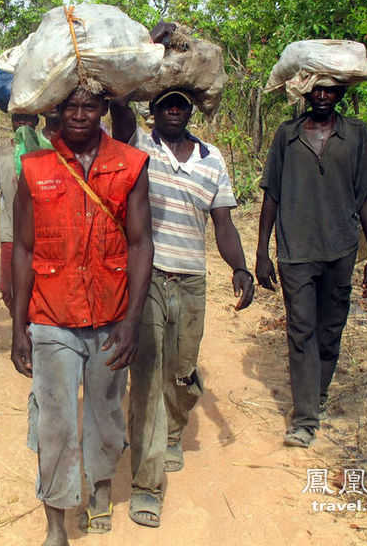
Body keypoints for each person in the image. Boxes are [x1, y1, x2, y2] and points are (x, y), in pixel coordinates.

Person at [12, 86, 153, 545]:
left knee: (105, 413)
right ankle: (56, 522)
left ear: (104, 109)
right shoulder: (34, 169)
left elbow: (139, 244)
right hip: (52, 316)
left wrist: (132, 320)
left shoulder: (130, 165)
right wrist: (19, 325)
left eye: (89, 106)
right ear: (56, 110)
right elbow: (24, 250)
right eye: (69, 106)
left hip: (111, 315)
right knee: (54, 419)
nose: (78, 115)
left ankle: (99, 487)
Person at [110, 88, 255, 528]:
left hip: (192, 280)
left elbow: (223, 222)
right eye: (165, 103)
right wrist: (150, 48)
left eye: (181, 104)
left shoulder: (212, 159)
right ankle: (146, 485)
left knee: (182, 371)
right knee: (149, 377)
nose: (173, 109)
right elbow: (118, 106)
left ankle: (172, 431)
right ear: (152, 109)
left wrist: (241, 268)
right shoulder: (137, 144)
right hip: (147, 276)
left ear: (191, 110)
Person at [255, 83, 367, 448]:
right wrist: (262, 251)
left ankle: (318, 390)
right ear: (305, 94)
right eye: (316, 90)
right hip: (295, 249)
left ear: (340, 94)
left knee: (330, 329)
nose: (323, 96)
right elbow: (272, 193)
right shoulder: (287, 135)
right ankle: (304, 418)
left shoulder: (356, 135)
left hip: (341, 248)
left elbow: (366, 198)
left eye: (330, 91)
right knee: (300, 329)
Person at [0, 111, 41, 309]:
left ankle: (29, 334)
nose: (23, 123)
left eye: (28, 118)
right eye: (18, 119)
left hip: (40, 235)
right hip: (11, 234)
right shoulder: (1, 151)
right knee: (8, 288)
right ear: (12, 122)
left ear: (36, 121)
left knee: (37, 289)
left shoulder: (44, 149)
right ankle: (19, 329)